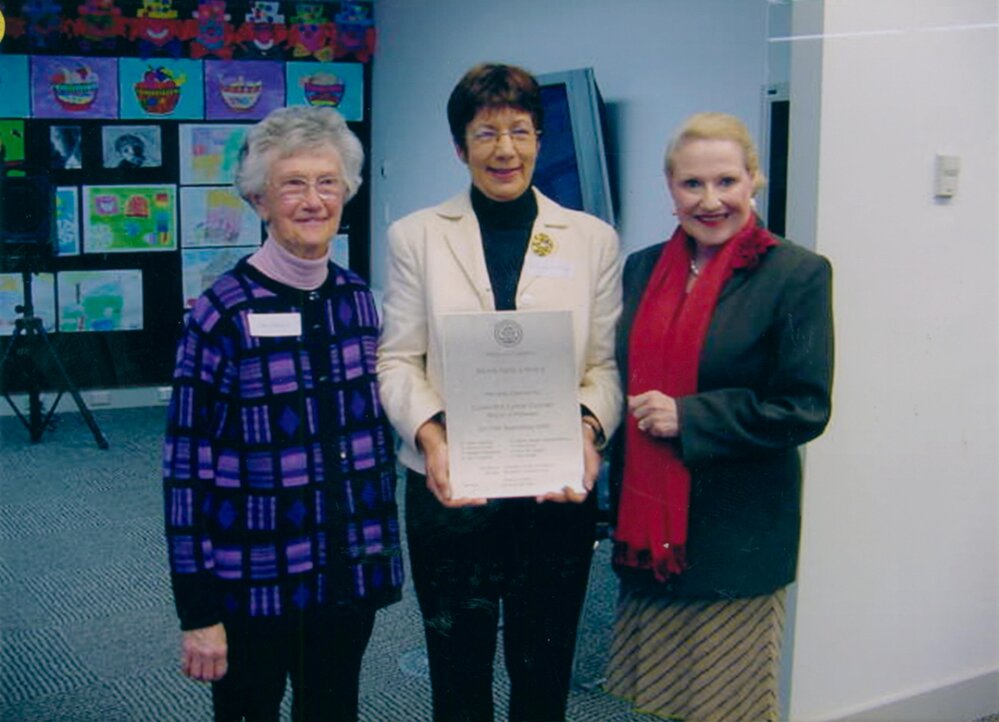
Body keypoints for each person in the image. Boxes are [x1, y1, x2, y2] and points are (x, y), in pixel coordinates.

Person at [377, 62, 622, 722]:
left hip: (555, 488)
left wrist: (587, 434)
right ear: (460, 147)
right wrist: (431, 439)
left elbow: (602, 370)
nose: (504, 149)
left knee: (543, 668)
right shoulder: (416, 238)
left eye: (519, 130)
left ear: (540, 139)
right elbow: (397, 361)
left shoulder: (593, 240)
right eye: (486, 133)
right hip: (450, 486)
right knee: (457, 668)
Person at [162, 105, 403, 722]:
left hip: (343, 577)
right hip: (253, 584)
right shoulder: (220, 313)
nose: (313, 200)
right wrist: (199, 612)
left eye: (327, 182)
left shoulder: (358, 302)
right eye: (292, 183)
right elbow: (185, 476)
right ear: (259, 200)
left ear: (346, 192)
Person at [605, 111, 834, 722]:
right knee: (660, 701)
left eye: (727, 181)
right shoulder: (641, 268)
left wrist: (691, 416)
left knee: (725, 706)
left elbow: (804, 408)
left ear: (754, 181)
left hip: (736, 536)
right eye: (692, 185)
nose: (711, 201)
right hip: (651, 533)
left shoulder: (796, 274)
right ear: (670, 188)